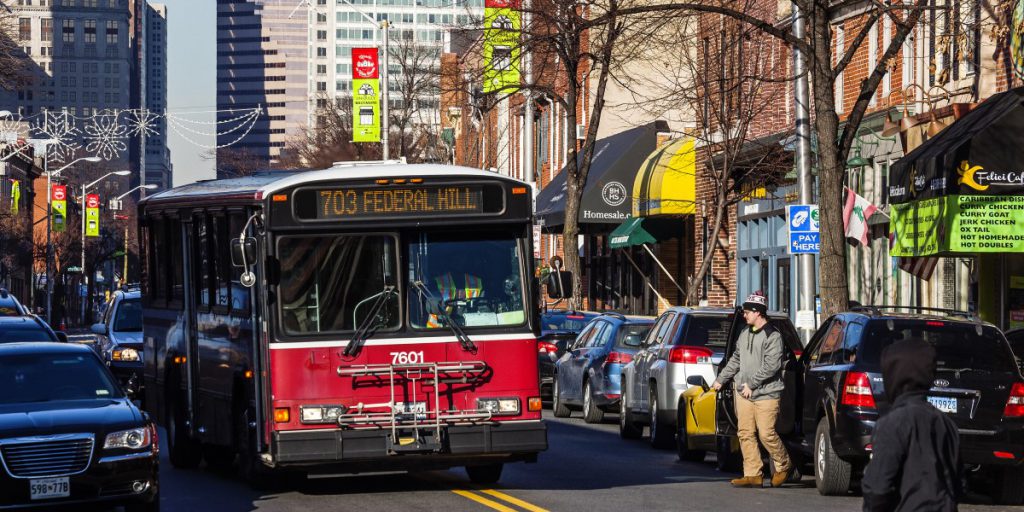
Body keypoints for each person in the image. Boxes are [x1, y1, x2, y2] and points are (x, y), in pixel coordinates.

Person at [862, 338, 960, 512]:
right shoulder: (947, 424)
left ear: (893, 376)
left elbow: (877, 488)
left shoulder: (892, 424)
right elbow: (959, 485)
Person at [712, 291, 792, 488]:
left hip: (767, 394)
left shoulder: (773, 335)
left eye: (747, 312)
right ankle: (753, 474)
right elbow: (736, 360)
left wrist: (752, 384)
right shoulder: (744, 333)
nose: (744, 315)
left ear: (757, 312)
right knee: (745, 433)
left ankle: (783, 465)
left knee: (766, 433)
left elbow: (771, 366)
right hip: (744, 393)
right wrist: (721, 379)